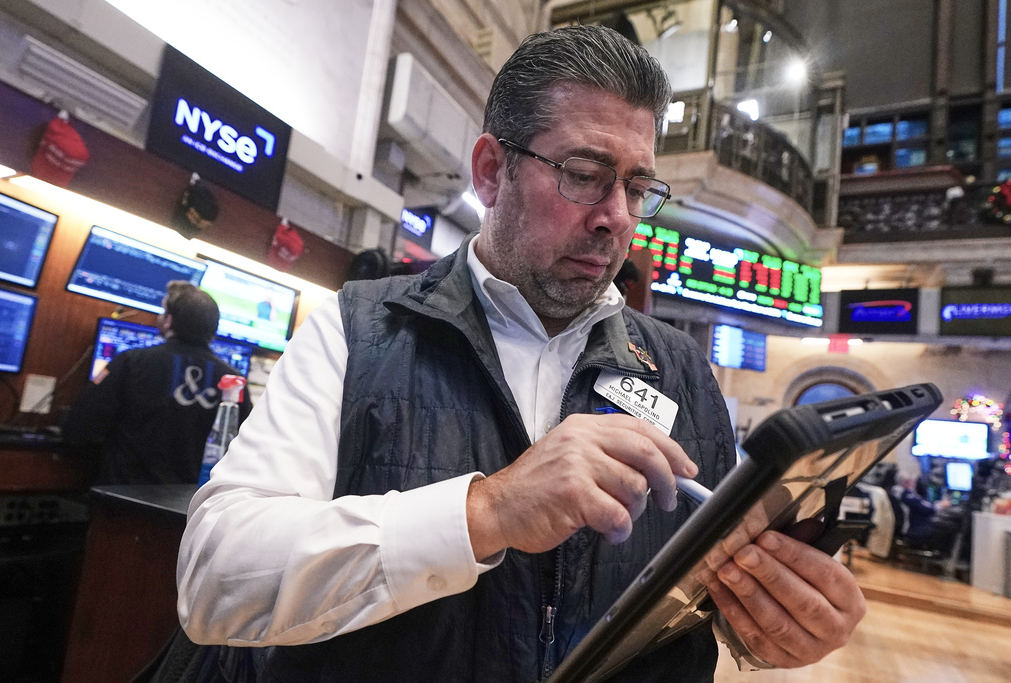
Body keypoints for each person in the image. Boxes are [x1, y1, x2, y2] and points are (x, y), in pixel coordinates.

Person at [176, 25, 865, 681]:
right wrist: (487, 512)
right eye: (584, 174)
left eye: (636, 188)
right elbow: (214, 578)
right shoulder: (359, 330)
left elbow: (709, 597)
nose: (615, 216)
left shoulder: (681, 370)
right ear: (490, 171)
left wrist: (773, 621)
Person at [63, 281, 252, 485]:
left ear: (169, 321)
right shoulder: (234, 381)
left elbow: (79, 429)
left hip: (124, 495)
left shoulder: (130, 362)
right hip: (192, 499)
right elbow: (244, 452)